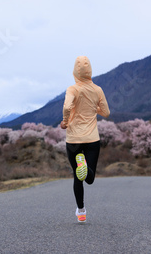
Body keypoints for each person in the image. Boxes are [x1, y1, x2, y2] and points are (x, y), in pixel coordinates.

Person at [60, 56, 110, 223]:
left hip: (74, 139)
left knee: (76, 176)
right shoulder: (98, 90)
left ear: (75, 72)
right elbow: (106, 113)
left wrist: (65, 122)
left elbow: (67, 106)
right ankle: (85, 167)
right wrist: (92, 107)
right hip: (92, 139)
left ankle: (81, 212)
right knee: (89, 178)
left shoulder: (72, 89)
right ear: (90, 72)